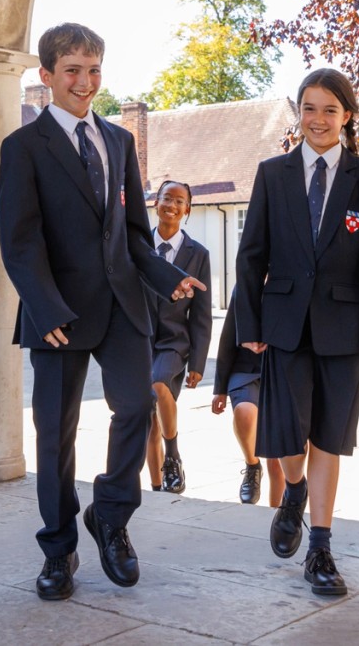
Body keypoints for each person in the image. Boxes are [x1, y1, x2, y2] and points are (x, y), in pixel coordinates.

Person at [0, 23, 205, 600]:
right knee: (54, 437)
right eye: (72, 71)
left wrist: (170, 277)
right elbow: (20, 240)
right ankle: (59, 549)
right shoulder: (22, 148)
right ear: (46, 76)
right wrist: (44, 306)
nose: (85, 83)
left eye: (93, 70)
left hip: (121, 307)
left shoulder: (117, 141)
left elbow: (135, 236)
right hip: (57, 314)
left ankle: (110, 515)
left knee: (138, 407)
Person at [235, 67, 359, 597]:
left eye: (330, 109)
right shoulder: (272, 174)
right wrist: (250, 323)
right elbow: (251, 255)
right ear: (299, 114)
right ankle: (294, 490)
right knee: (287, 434)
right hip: (282, 324)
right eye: (309, 108)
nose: (319, 119)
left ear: (347, 116)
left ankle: (321, 547)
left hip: (344, 328)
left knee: (329, 435)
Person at [145, 180, 213, 494]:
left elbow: (200, 315)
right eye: (166, 198)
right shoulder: (139, 246)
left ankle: (172, 455)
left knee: (159, 383)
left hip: (174, 342)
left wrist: (198, 361)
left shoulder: (197, 254)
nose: (171, 205)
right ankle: (159, 486)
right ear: (155, 202)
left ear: (187, 210)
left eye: (179, 201)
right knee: (148, 419)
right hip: (139, 340)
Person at [212, 289, 285, 507]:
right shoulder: (244, 288)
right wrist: (220, 388)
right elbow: (227, 337)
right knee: (244, 413)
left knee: (278, 458)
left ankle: (278, 516)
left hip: (283, 370)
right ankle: (253, 466)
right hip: (245, 368)